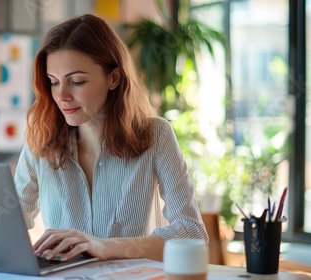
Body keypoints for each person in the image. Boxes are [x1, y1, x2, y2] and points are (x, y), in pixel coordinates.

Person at [14, 13, 208, 262]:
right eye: (53, 82)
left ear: (114, 78)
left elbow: (193, 233)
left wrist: (105, 246)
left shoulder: (155, 134)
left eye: (77, 81)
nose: (61, 95)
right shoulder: (41, 140)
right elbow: (7, 225)